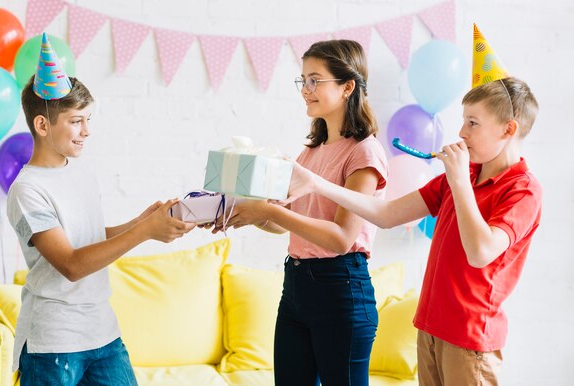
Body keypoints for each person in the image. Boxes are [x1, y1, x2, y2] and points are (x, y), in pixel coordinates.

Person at [280, 26, 542, 386]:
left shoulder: (522, 190)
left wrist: (460, 183)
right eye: (463, 120)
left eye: (473, 123)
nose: (461, 132)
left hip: (471, 339)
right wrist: (317, 184)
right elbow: (386, 215)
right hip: (431, 328)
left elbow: (481, 252)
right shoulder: (461, 174)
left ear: (508, 129)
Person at [6, 33, 195, 385]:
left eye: (88, 119)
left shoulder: (80, 171)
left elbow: (86, 238)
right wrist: (144, 232)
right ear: (43, 125)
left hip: (102, 333)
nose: (87, 131)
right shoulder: (27, 190)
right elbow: (72, 264)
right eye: (76, 121)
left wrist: (141, 221)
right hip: (53, 343)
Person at [212, 40, 388, 386]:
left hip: (341, 288)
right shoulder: (311, 152)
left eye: (315, 80)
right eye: (303, 80)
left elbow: (340, 239)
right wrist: (246, 211)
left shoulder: (364, 154)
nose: (305, 90)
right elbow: (283, 223)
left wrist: (269, 212)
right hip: (296, 288)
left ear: (347, 86)